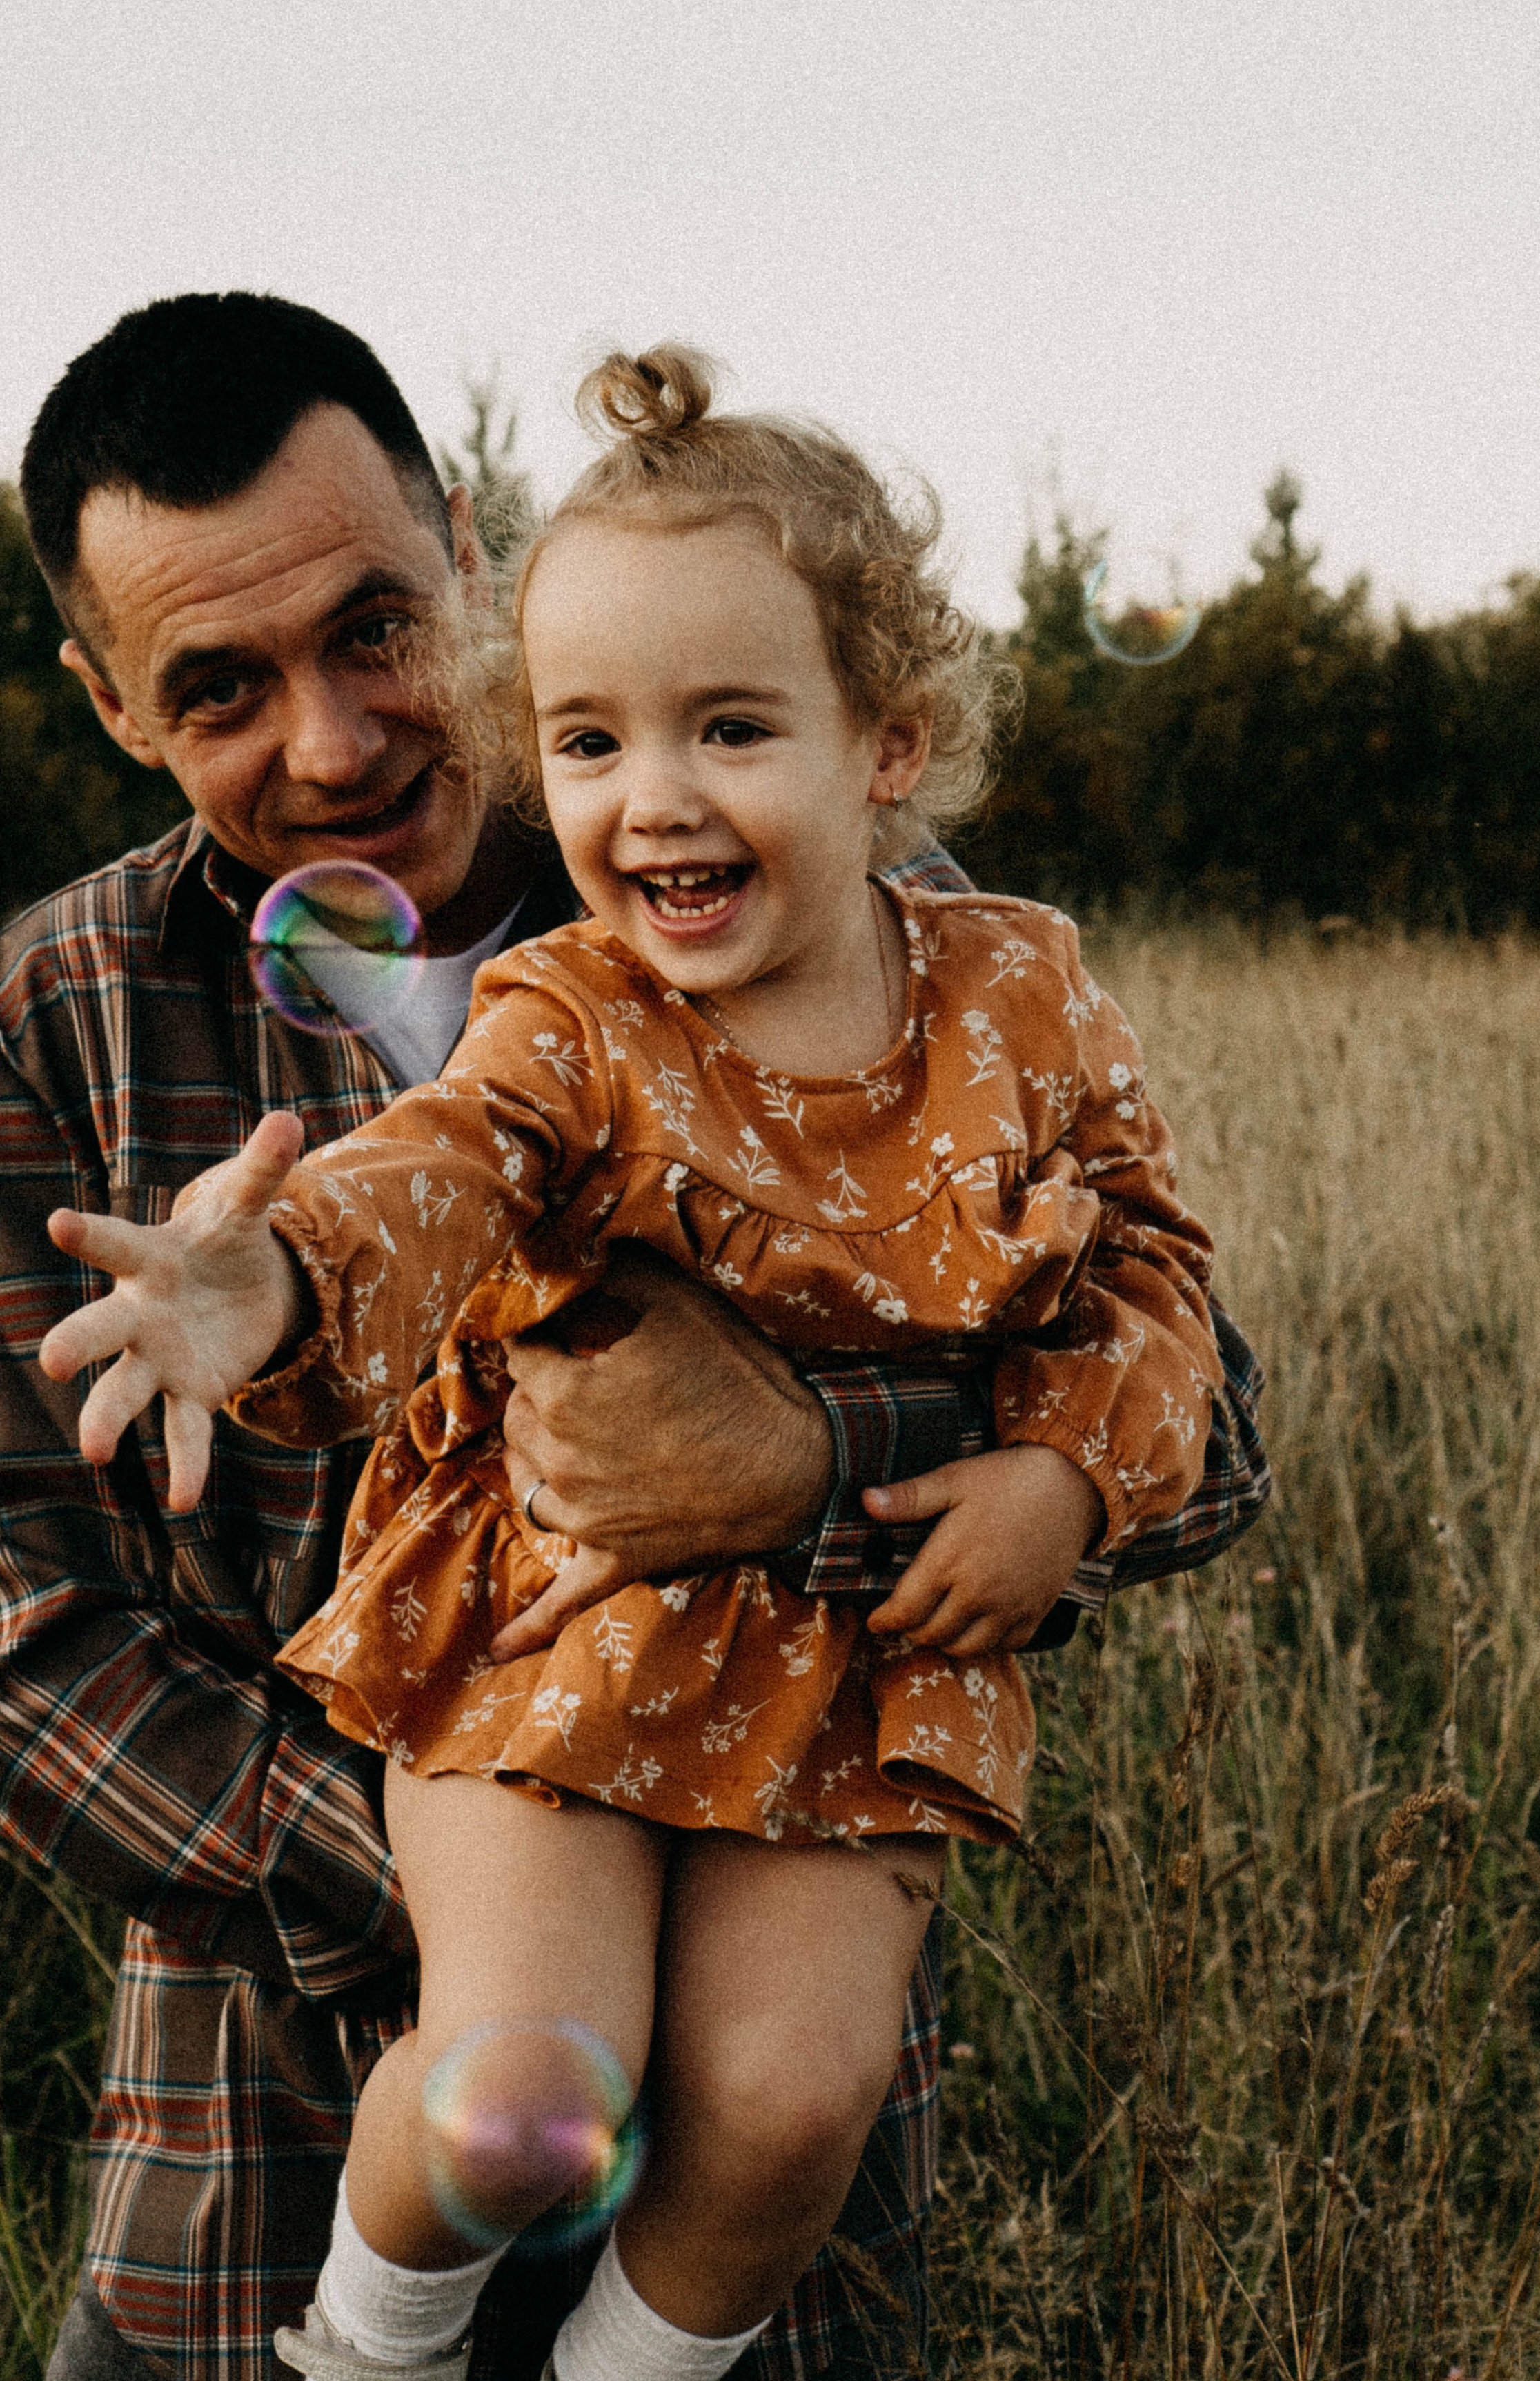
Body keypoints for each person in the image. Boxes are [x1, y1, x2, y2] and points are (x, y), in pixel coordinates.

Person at [3, 294, 1269, 2381]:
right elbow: (22, 1618)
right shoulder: (54, 1018)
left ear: (470, 552)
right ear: (112, 702)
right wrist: (491, 1886)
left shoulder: (858, 914)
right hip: (263, 2155)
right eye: (220, 685)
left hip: (764, 2176)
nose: (328, 740)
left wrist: (819, 1463)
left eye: (376, 629)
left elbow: (1208, 1405)